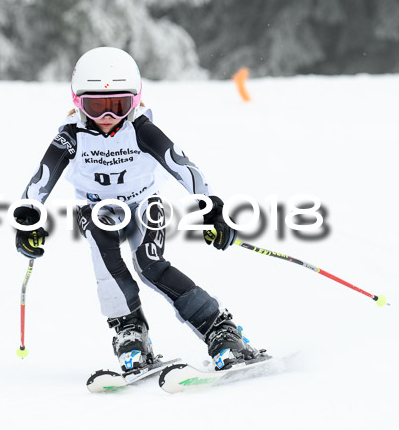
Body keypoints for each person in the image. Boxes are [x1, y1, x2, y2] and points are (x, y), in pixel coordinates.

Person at [13, 47, 262, 372]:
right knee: (108, 269)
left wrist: (211, 207)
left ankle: (219, 328)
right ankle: (129, 332)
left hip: (143, 202)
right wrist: (28, 218)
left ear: (135, 101)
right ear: (77, 103)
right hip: (94, 207)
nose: (107, 118)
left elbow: (183, 166)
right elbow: (42, 177)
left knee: (150, 265)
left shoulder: (141, 128)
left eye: (118, 106)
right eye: (95, 107)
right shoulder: (71, 135)